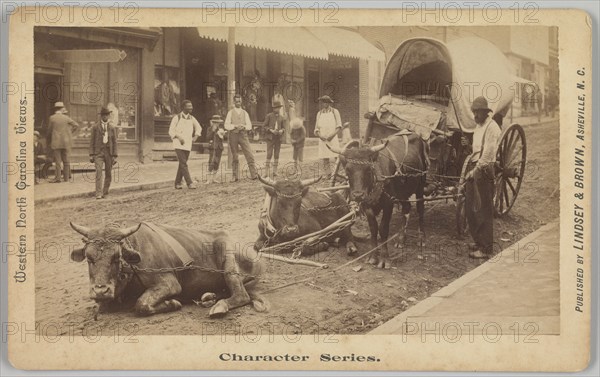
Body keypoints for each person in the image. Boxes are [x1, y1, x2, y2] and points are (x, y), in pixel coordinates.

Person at [464, 96, 501, 259]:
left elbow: (488, 153)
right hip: (475, 167)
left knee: (483, 210)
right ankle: (478, 242)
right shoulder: (478, 127)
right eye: (473, 112)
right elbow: (477, 148)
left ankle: (486, 249)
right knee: (470, 208)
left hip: (484, 170)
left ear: (485, 112)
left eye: (477, 112)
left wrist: (476, 170)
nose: (475, 116)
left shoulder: (492, 128)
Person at [169, 99, 202, 189]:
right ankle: (189, 183)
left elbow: (199, 128)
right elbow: (171, 131)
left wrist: (195, 137)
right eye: (188, 106)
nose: (191, 108)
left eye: (191, 106)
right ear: (183, 107)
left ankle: (177, 183)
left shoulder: (192, 118)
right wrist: (178, 137)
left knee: (182, 164)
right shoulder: (177, 118)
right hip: (178, 144)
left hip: (187, 144)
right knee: (183, 163)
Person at [224, 94, 258, 181]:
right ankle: (235, 176)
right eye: (236, 101)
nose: (238, 103)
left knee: (249, 153)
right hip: (233, 135)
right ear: (234, 102)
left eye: (239, 101)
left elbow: (249, 125)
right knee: (235, 156)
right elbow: (226, 125)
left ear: (241, 101)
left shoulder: (245, 113)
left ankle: (254, 174)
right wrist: (235, 126)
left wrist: (243, 127)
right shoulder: (230, 112)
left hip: (243, 135)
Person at [89, 107, 118, 199]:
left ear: (109, 116)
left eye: (107, 115)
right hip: (98, 153)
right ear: (101, 116)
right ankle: (98, 193)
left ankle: (105, 191)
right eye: (103, 115)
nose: (105, 117)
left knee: (108, 173)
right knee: (98, 172)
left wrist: (114, 155)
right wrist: (91, 154)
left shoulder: (112, 128)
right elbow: (91, 141)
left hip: (109, 153)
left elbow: (115, 142)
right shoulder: (95, 127)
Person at [47, 101, 78, 183]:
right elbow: (76, 125)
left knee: (58, 161)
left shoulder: (52, 118)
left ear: (55, 109)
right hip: (66, 142)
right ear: (61, 109)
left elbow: (49, 131)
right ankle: (66, 178)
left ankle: (57, 178)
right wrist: (70, 133)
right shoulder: (66, 118)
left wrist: (49, 139)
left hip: (56, 142)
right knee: (66, 160)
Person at [314, 95, 342, 178]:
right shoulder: (319, 113)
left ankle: (337, 174)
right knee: (325, 157)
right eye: (323, 102)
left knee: (336, 156)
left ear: (329, 103)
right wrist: (320, 136)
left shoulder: (335, 112)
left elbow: (339, 126)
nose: (324, 104)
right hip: (323, 139)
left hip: (332, 138)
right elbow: (316, 128)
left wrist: (332, 135)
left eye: (326, 102)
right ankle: (328, 174)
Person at [262, 101, 286, 178]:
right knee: (269, 154)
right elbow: (264, 126)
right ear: (273, 108)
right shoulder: (269, 116)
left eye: (279, 108)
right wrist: (271, 130)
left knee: (277, 154)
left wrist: (282, 131)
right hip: (270, 138)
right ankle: (266, 172)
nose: (277, 109)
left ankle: (275, 171)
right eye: (276, 108)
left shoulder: (281, 117)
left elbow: (284, 128)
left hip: (278, 138)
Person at [206, 115, 226, 184]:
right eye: (215, 122)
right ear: (213, 122)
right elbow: (208, 137)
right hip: (213, 147)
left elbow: (224, 138)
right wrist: (213, 131)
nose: (217, 124)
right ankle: (208, 179)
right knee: (211, 162)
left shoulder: (221, 129)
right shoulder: (209, 129)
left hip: (219, 147)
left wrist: (223, 133)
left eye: (218, 122)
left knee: (217, 163)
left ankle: (214, 178)